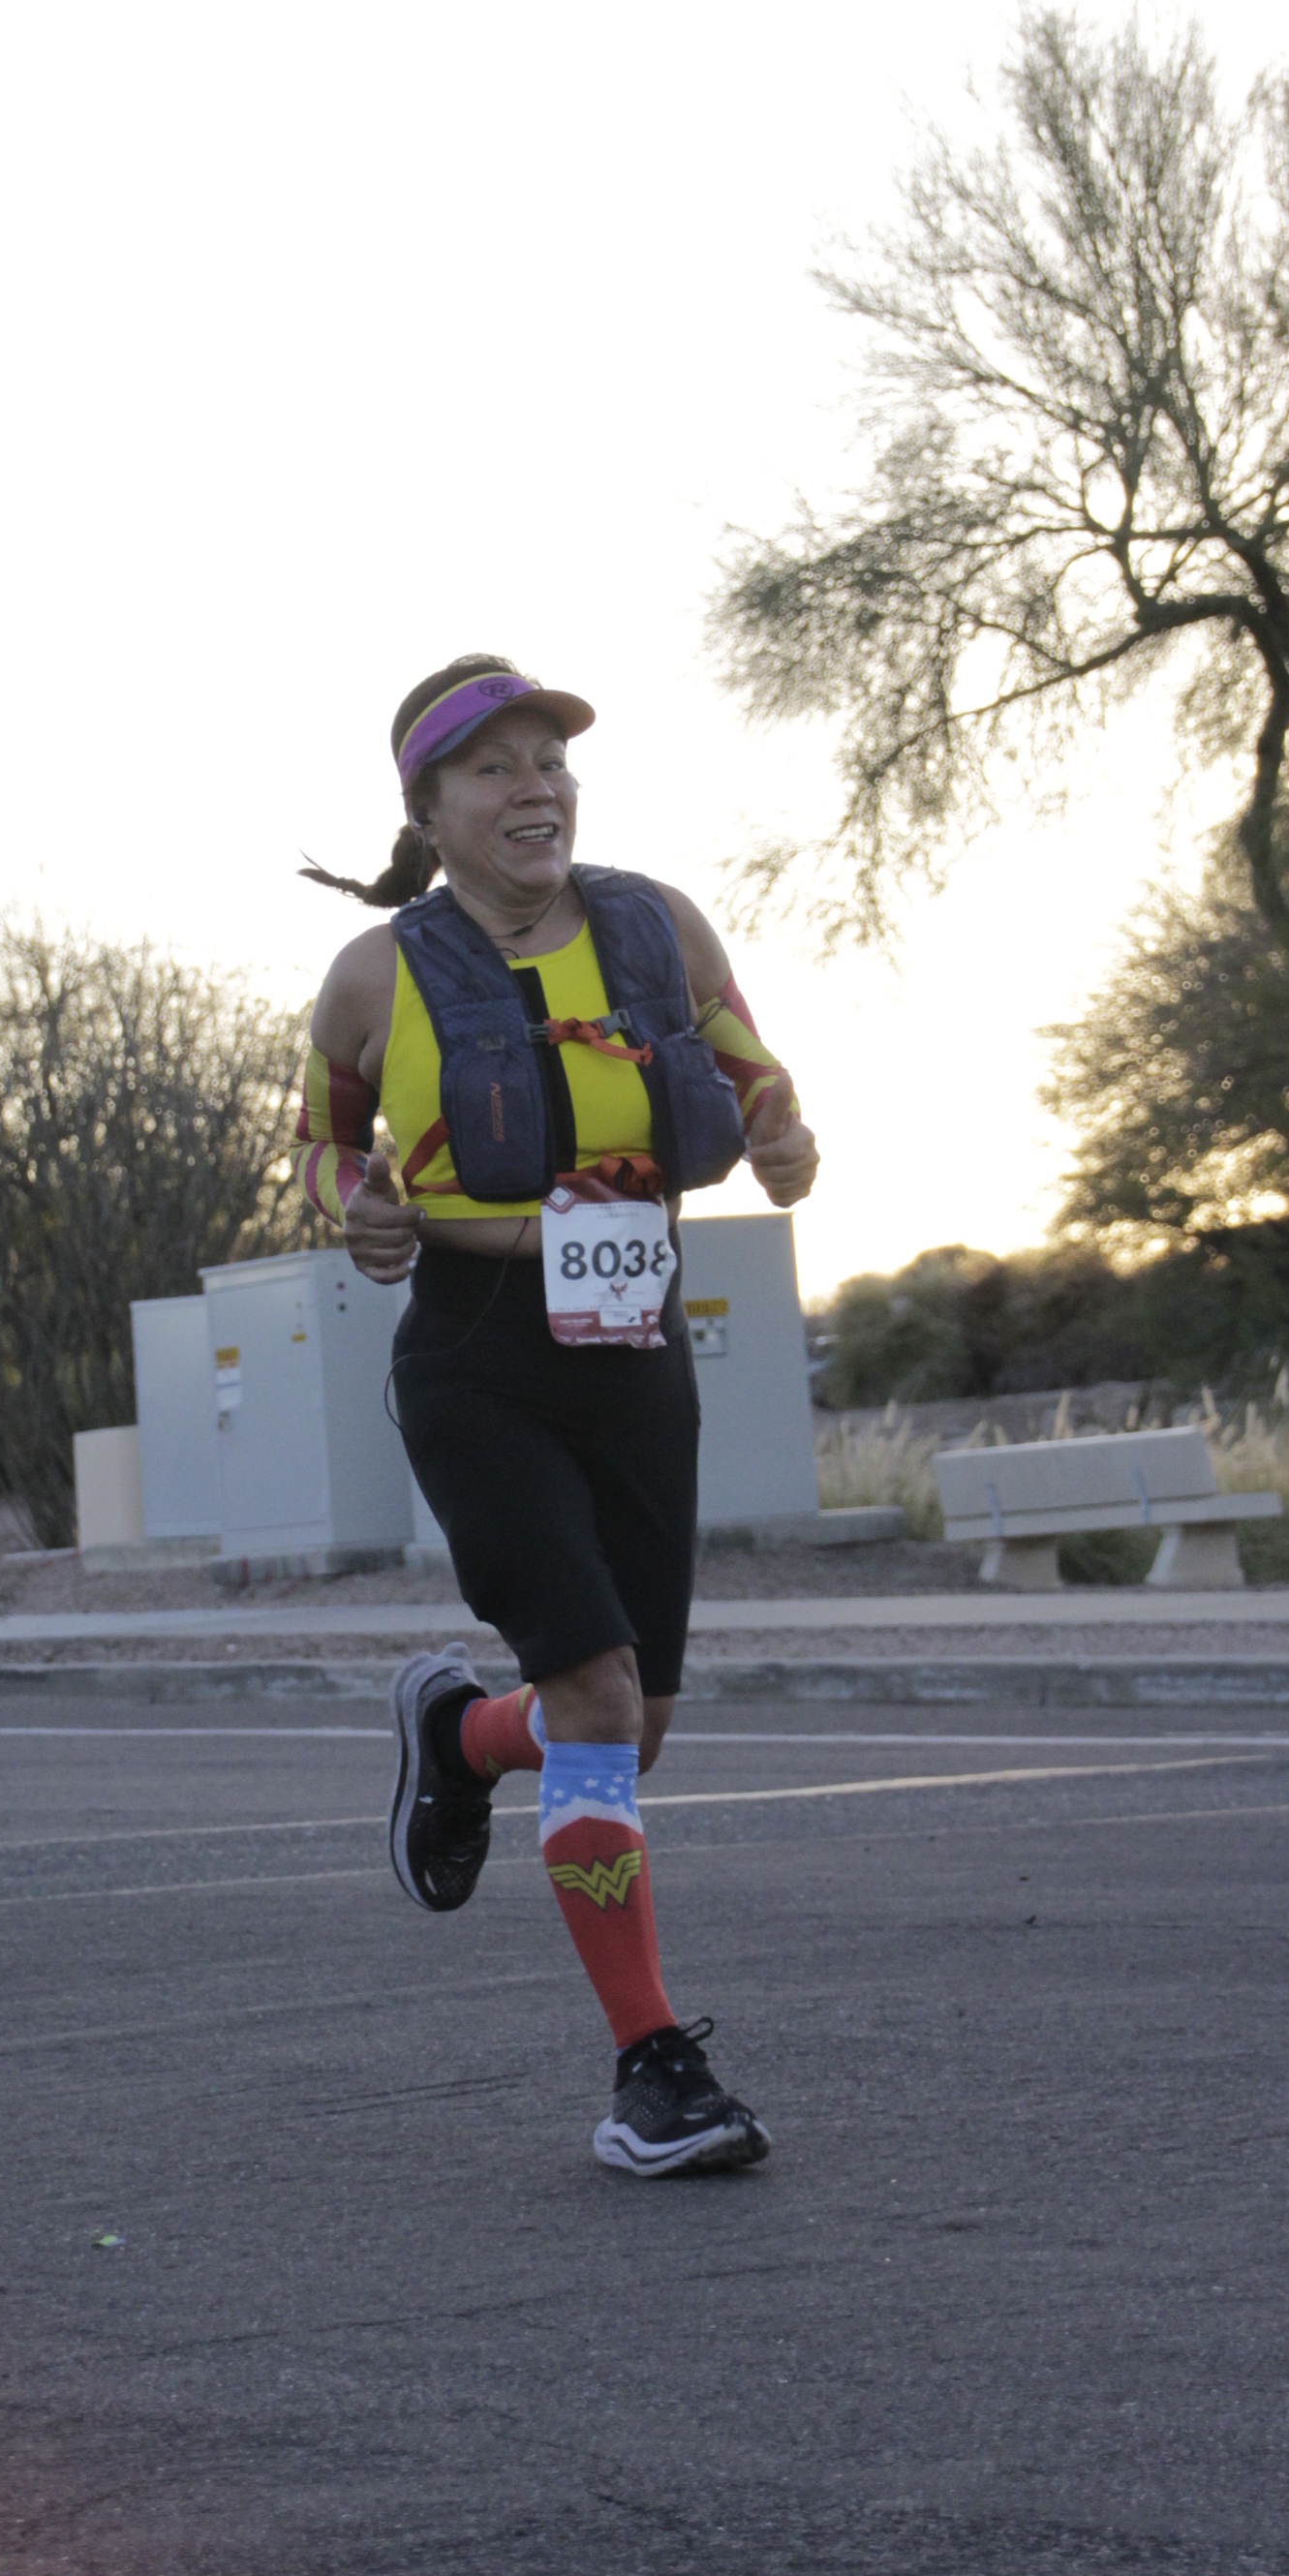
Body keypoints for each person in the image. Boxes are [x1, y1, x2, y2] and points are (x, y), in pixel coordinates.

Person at [297, 656, 820, 2176]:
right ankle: (653, 2071)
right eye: (496, 769)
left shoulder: (661, 927)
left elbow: (754, 1070)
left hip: (638, 1360)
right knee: (593, 1703)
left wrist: (784, 1133)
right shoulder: (373, 976)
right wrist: (357, 1208)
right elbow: (324, 1147)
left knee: (632, 1731)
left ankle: (463, 1738)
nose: (537, 789)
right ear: (429, 810)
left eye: (552, 763)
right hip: (478, 1366)